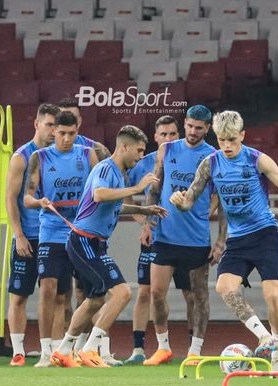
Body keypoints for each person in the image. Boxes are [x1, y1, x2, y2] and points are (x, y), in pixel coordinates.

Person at [170, 110, 278, 372]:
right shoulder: (210, 163)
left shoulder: (256, 160)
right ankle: (264, 336)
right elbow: (190, 200)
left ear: (242, 135)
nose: (226, 146)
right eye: (221, 140)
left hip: (264, 233)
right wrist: (180, 201)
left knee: (271, 294)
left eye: (231, 140)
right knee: (224, 288)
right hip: (237, 239)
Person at [50, 125, 167, 368]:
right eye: (139, 150)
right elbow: (100, 195)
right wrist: (136, 189)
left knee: (95, 300)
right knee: (122, 292)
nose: (140, 156)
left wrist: (142, 209)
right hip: (84, 241)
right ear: (124, 147)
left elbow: (113, 205)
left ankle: (62, 351)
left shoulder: (117, 173)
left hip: (92, 243)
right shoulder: (105, 168)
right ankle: (91, 349)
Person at [141, 105, 227, 366]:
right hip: (165, 235)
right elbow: (155, 187)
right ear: (185, 123)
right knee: (156, 292)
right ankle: (163, 347)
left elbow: (223, 203)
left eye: (198, 128)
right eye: (189, 126)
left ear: (207, 129)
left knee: (196, 297)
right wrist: (147, 222)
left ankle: (195, 350)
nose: (192, 131)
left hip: (196, 239)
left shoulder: (213, 157)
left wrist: (221, 241)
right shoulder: (168, 149)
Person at [23, 111, 99, 367]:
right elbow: (27, 197)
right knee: (48, 289)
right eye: (62, 133)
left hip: (81, 232)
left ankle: (85, 347)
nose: (66, 138)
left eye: (72, 133)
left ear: (78, 131)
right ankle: (47, 351)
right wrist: (39, 202)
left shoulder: (87, 155)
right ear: (53, 130)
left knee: (89, 291)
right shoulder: (39, 158)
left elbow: (98, 190)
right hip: (51, 231)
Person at [124, 115, 196, 364]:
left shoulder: (191, 158)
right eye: (163, 134)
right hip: (157, 237)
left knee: (191, 293)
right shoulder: (141, 164)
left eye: (172, 134)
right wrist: (145, 223)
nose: (168, 138)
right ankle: (139, 349)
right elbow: (128, 197)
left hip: (187, 237)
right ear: (155, 137)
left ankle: (192, 349)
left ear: (179, 135)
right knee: (147, 291)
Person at [5, 103, 61, 367]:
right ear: (36, 124)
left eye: (55, 125)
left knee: (56, 294)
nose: (52, 130)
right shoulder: (22, 157)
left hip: (53, 236)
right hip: (28, 235)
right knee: (19, 295)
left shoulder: (59, 156)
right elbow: (10, 198)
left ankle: (53, 351)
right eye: (48, 124)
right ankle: (18, 351)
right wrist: (18, 235)